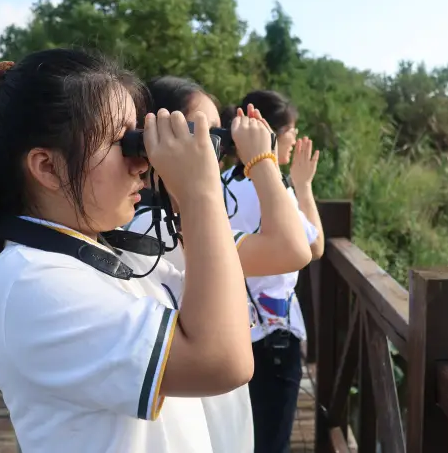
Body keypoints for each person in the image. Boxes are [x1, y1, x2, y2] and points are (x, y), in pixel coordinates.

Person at [0, 48, 272, 453]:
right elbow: (223, 361)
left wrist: (190, 193)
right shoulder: (31, 280)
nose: (140, 162)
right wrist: (200, 192)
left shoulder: (101, 251)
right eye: (122, 141)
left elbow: (224, 321)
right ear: (47, 167)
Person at [122, 76, 314, 453]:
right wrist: (262, 161)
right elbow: (295, 248)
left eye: (217, 139)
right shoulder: (152, 230)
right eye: (204, 135)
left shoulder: (181, 225)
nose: (217, 151)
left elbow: (294, 249)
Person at [222, 89, 324, 453]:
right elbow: (313, 247)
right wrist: (302, 185)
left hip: (230, 333)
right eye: (291, 131)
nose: (295, 139)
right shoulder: (271, 189)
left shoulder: (220, 184)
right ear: (271, 133)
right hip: (273, 338)